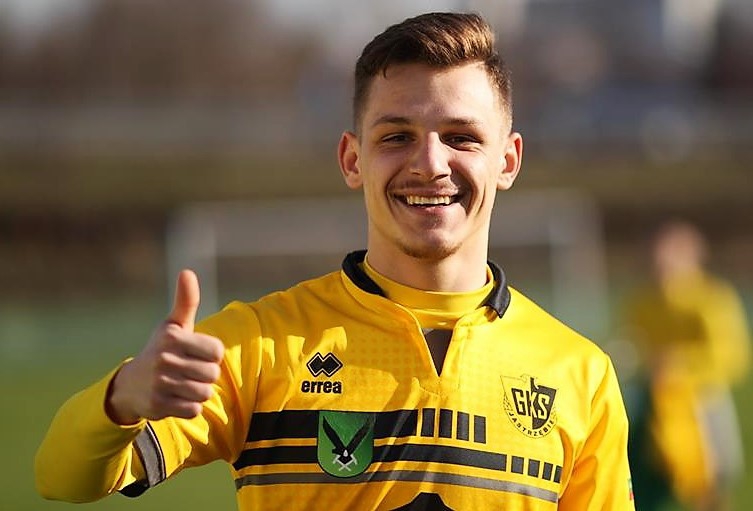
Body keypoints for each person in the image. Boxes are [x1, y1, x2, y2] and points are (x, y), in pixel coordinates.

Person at [35, 12, 634, 510]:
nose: (430, 163)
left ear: (508, 160)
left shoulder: (579, 375)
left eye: (461, 137)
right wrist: (121, 399)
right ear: (352, 160)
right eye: (396, 136)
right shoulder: (261, 345)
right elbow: (61, 479)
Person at [622, 220, 750, 511]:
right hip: (654, 400)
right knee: (641, 477)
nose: (663, 265)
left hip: (702, 399)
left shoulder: (713, 300)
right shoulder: (642, 302)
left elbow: (732, 356)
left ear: (695, 257)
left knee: (711, 481)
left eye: (672, 256)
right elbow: (632, 346)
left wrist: (680, 365)